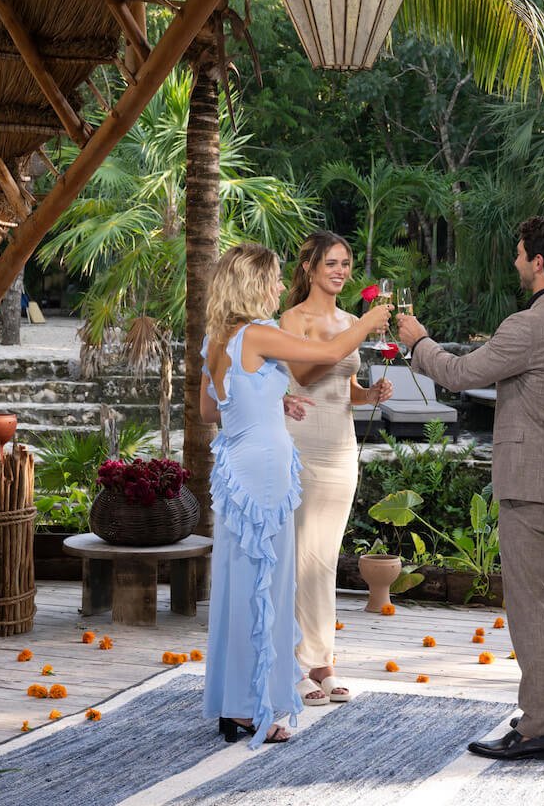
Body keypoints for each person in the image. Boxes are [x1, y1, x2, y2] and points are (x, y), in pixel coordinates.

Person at [396, 218, 544, 762]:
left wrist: (418, 342)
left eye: (519, 254)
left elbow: (461, 373)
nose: (516, 261)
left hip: (529, 485)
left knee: (529, 604)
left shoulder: (528, 325)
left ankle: (537, 726)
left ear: (538, 262)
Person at [200, 243, 392, 747]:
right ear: (252, 283)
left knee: (241, 583)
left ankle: (233, 704)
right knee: (267, 584)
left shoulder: (218, 338)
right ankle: (252, 709)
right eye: (272, 278)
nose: (278, 286)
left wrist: (268, 397)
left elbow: (208, 409)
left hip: (235, 470)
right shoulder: (258, 332)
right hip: (265, 472)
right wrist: (369, 320)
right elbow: (329, 354)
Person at [279, 231, 394, 707]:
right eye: (331, 262)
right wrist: (364, 328)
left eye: (346, 262)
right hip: (301, 445)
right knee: (299, 556)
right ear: (309, 267)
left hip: (341, 448)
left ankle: (323, 660)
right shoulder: (293, 318)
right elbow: (304, 374)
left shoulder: (349, 319)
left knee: (324, 558)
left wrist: (369, 395)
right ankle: (293, 663)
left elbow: (343, 383)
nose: (341, 270)